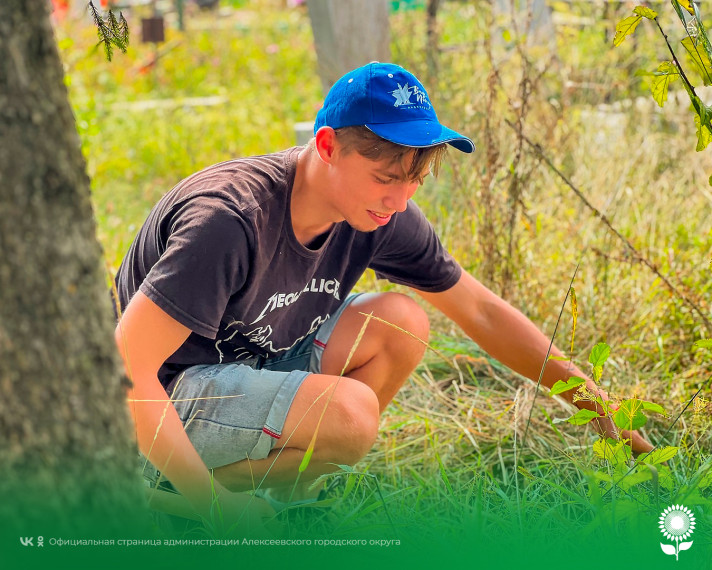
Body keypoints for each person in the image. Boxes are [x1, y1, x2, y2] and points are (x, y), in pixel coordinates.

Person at [114, 62, 652, 530]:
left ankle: (285, 499)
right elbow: (128, 366)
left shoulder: (379, 214)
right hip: (157, 399)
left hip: (254, 362)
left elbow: (481, 310)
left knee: (401, 322)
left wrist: (600, 411)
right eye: (384, 178)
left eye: (416, 179)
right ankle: (179, 497)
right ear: (327, 146)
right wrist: (213, 506)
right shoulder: (229, 220)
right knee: (350, 414)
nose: (398, 200)